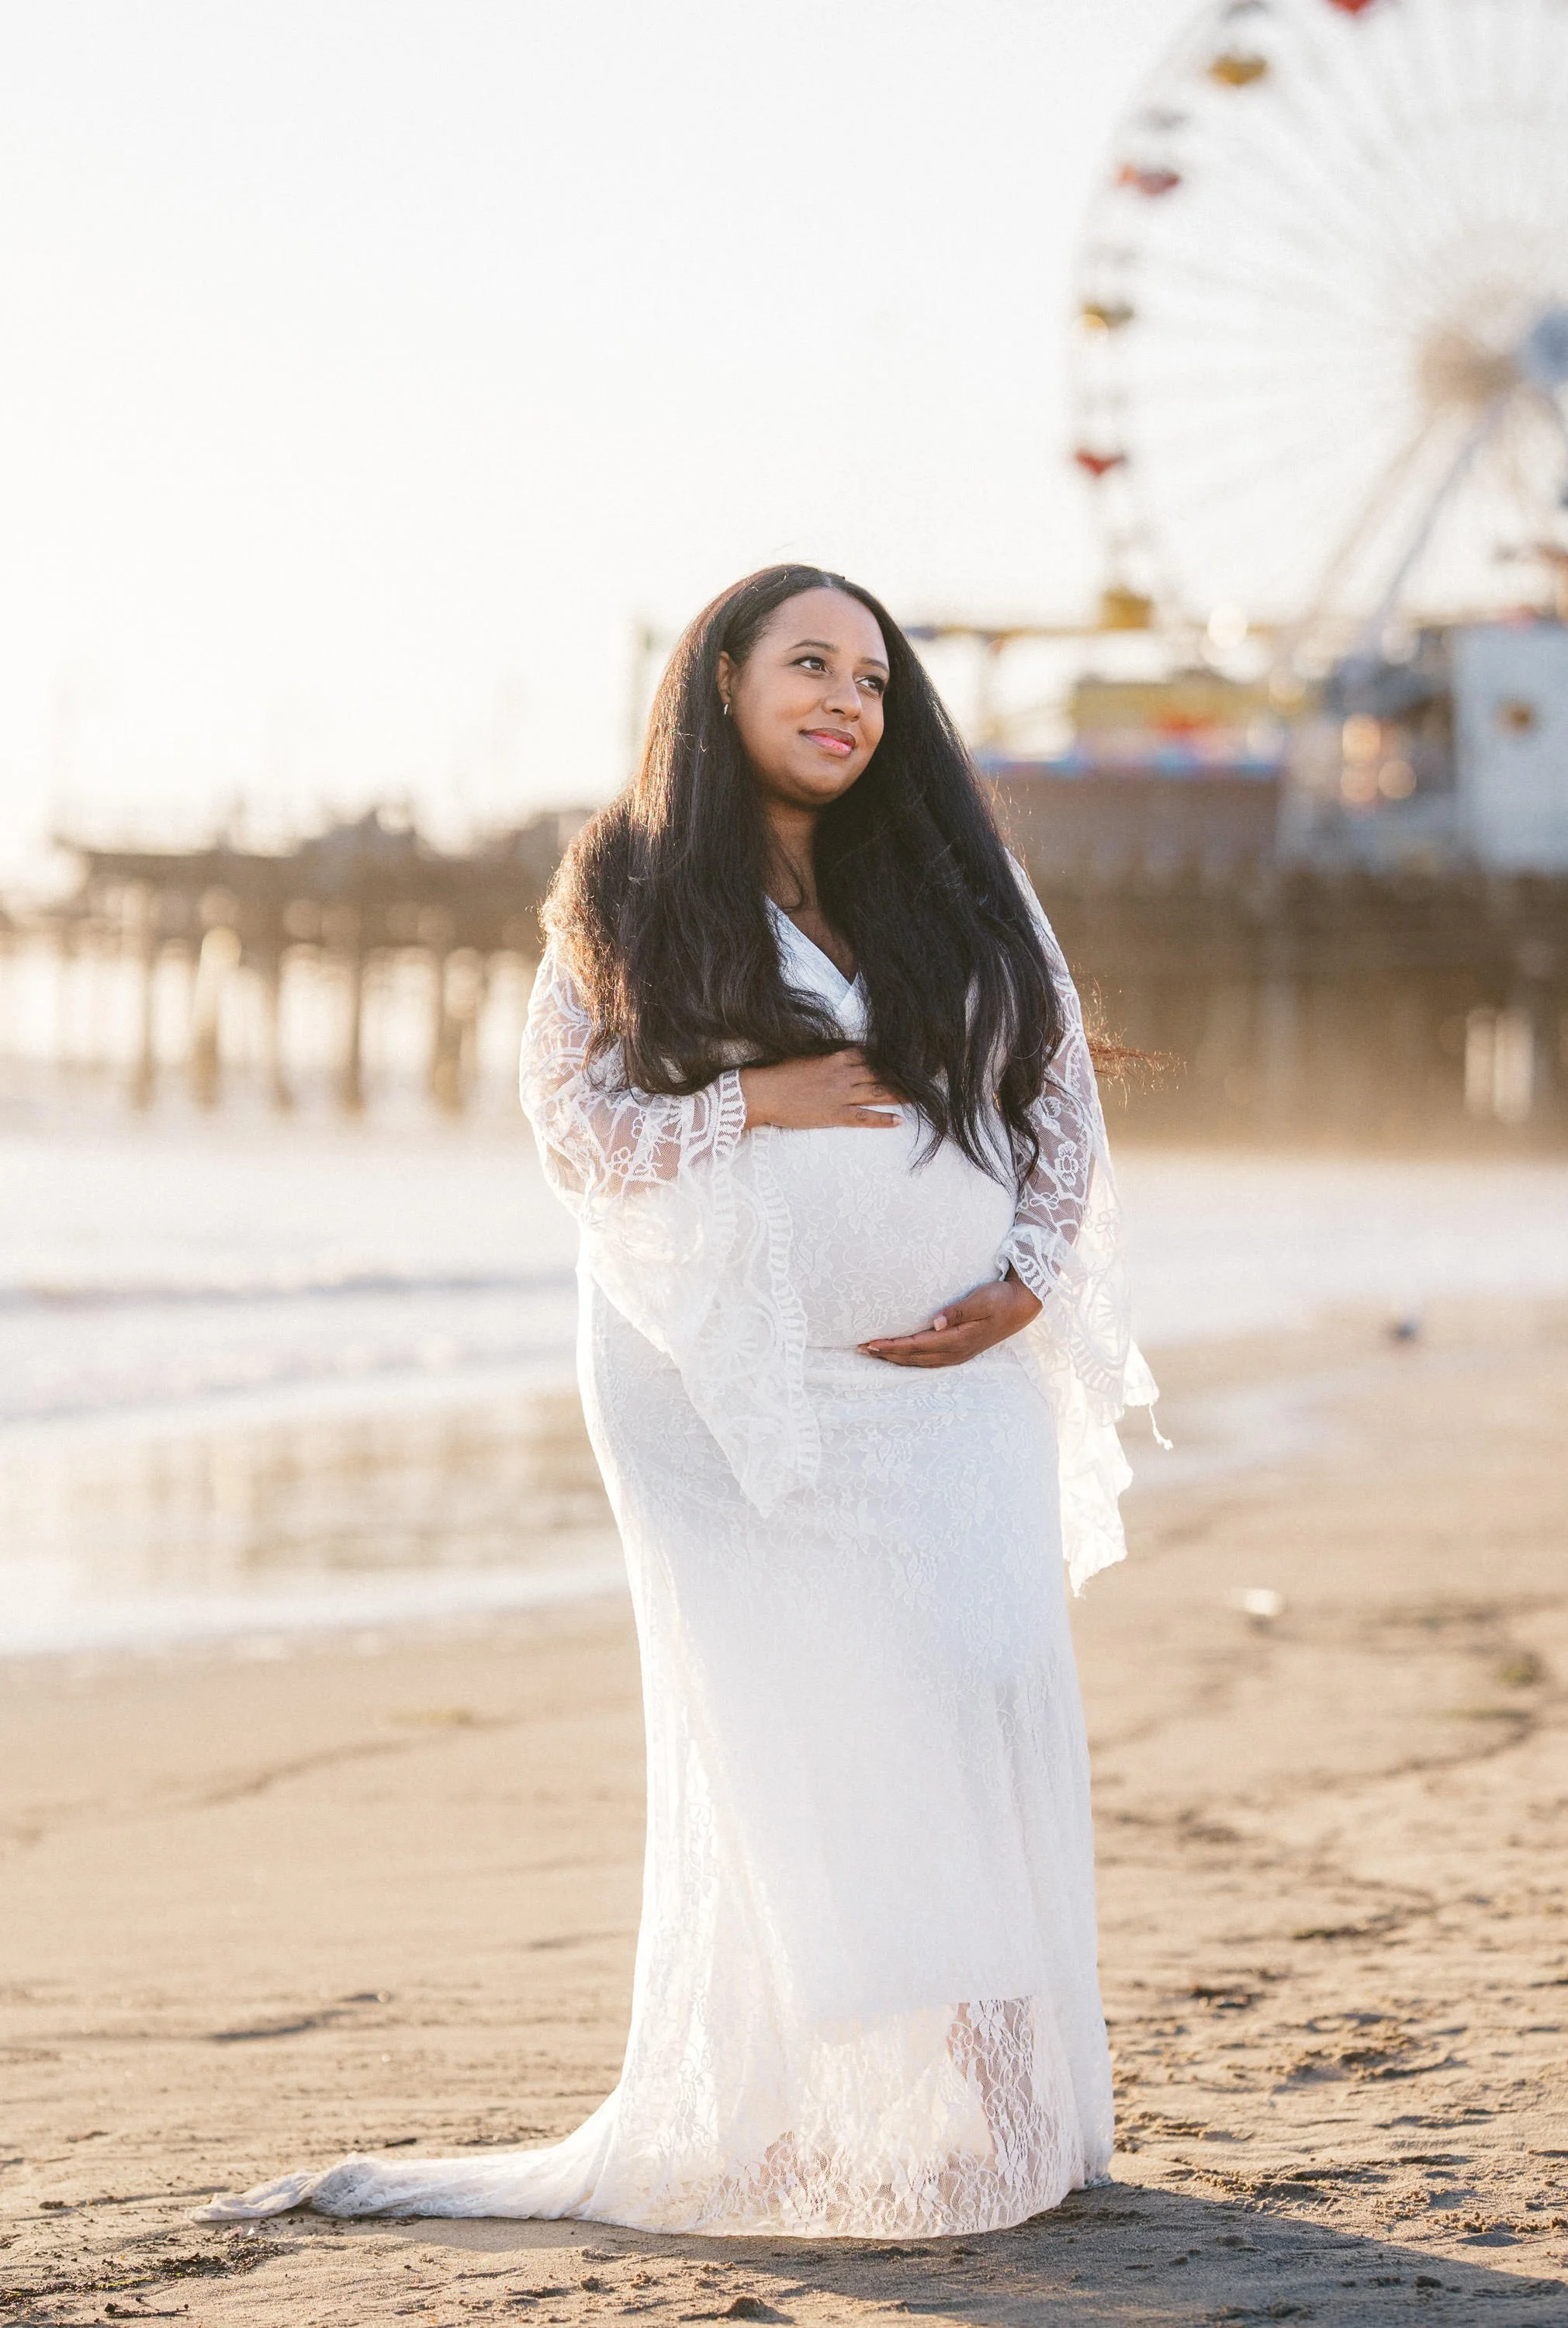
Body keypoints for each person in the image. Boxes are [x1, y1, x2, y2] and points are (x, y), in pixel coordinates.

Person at [203, 563, 1159, 2240]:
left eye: (873, 677)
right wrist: (761, 1108)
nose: (848, 701)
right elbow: (574, 1124)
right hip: (715, 1395)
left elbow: (1057, 1083)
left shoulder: (952, 877)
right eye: (810, 664)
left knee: (965, 1690)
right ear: (719, 680)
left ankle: (1013, 2103)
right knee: (810, 1736)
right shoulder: (631, 883)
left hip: (952, 1386)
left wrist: (1027, 1270)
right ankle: (825, 2115)